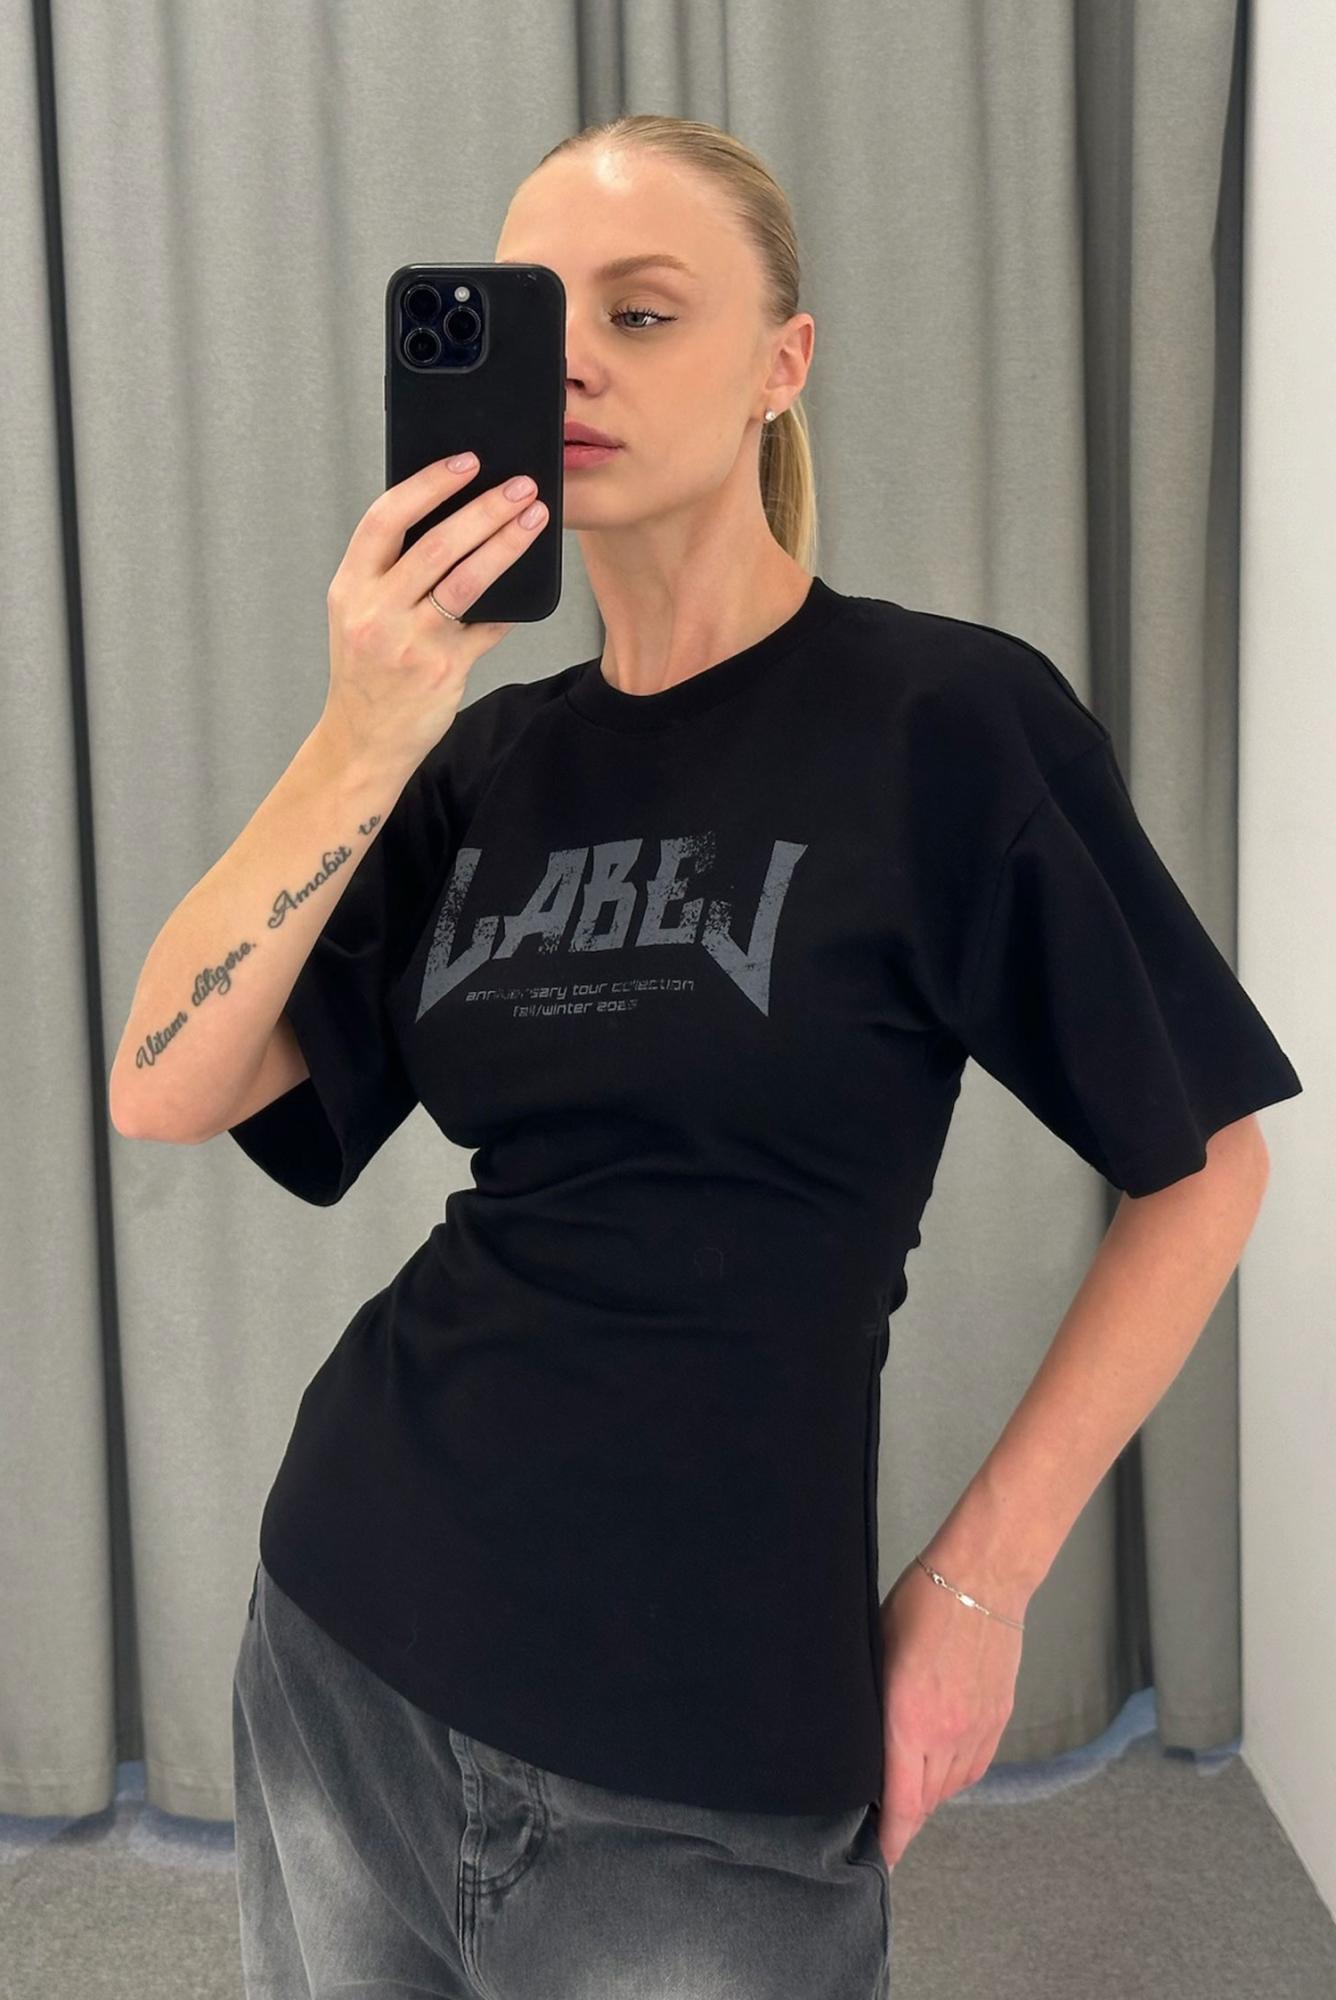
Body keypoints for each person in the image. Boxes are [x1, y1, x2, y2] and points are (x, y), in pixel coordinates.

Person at [113, 115, 1301, 2000]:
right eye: (536, 313)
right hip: (353, 1639)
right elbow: (165, 1083)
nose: (574, 361)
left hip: (706, 1751)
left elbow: (1209, 1164)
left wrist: (981, 1587)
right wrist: (363, 728)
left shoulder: (941, 723)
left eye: (644, 313)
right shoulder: (483, 761)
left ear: (781, 363)